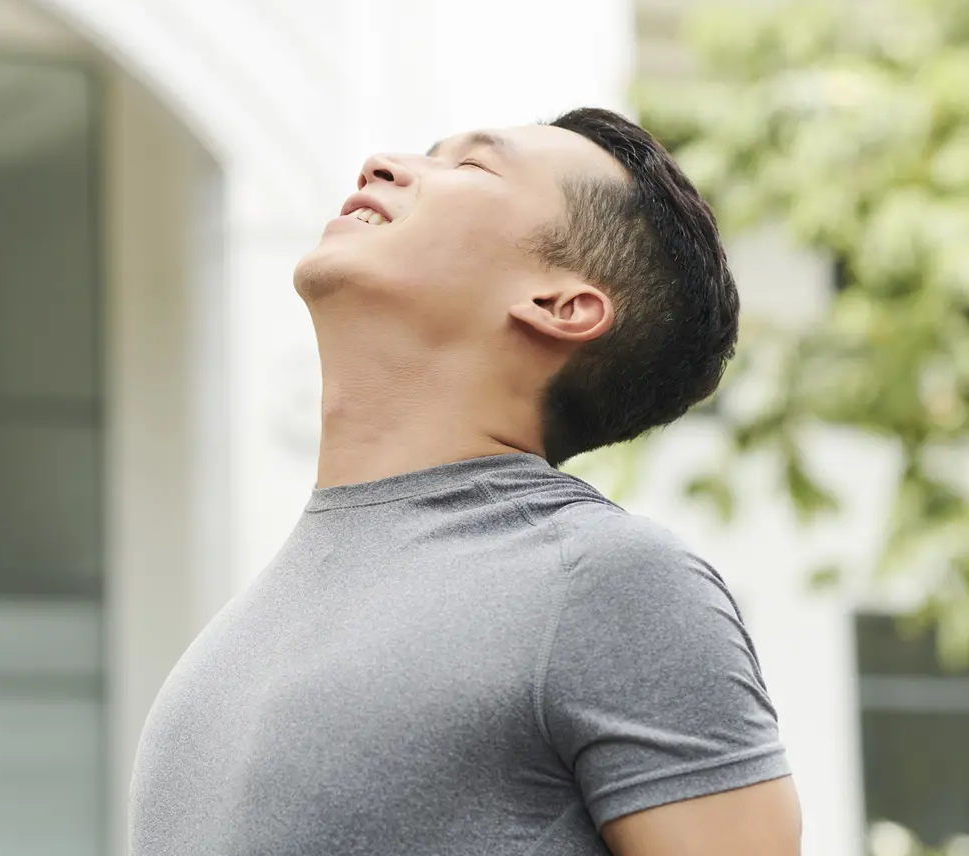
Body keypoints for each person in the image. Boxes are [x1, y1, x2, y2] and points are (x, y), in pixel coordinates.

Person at [129, 107, 803, 855]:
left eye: (473, 167)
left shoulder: (608, 584)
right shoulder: (243, 624)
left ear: (561, 304)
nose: (382, 164)